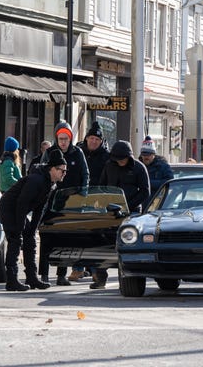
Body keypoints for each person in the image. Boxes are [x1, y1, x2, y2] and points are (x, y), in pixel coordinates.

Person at [0, 149, 67, 291]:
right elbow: (22, 202)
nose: (64, 174)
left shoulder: (51, 183)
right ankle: (11, 280)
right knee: (15, 240)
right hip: (9, 207)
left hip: (21, 209)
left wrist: (33, 228)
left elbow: (40, 208)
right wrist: (19, 227)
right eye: (62, 170)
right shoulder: (36, 180)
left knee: (30, 240)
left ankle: (32, 277)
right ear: (52, 169)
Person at [39, 121, 89, 286]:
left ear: (70, 139)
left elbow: (85, 174)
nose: (63, 142)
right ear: (56, 138)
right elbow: (42, 172)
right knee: (47, 239)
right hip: (51, 202)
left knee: (66, 240)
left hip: (71, 203)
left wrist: (82, 194)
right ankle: (44, 275)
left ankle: (61, 275)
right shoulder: (50, 153)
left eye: (65, 139)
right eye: (60, 139)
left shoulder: (78, 153)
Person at [95, 140, 150, 289]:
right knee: (105, 244)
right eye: (117, 159)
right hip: (111, 211)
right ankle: (100, 278)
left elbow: (145, 191)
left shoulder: (139, 168)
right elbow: (102, 186)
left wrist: (128, 206)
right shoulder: (109, 166)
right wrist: (104, 204)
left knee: (126, 245)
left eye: (123, 159)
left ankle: (125, 280)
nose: (120, 162)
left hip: (131, 212)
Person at [68, 121, 109, 282]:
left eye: (97, 140)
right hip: (79, 198)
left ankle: (94, 271)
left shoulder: (106, 157)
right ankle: (77, 269)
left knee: (95, 237)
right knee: (78, 236)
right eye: (91, 138)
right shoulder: (78, 153)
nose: (93, 142)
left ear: (101, 142)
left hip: (97, 201)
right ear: (86, 139)